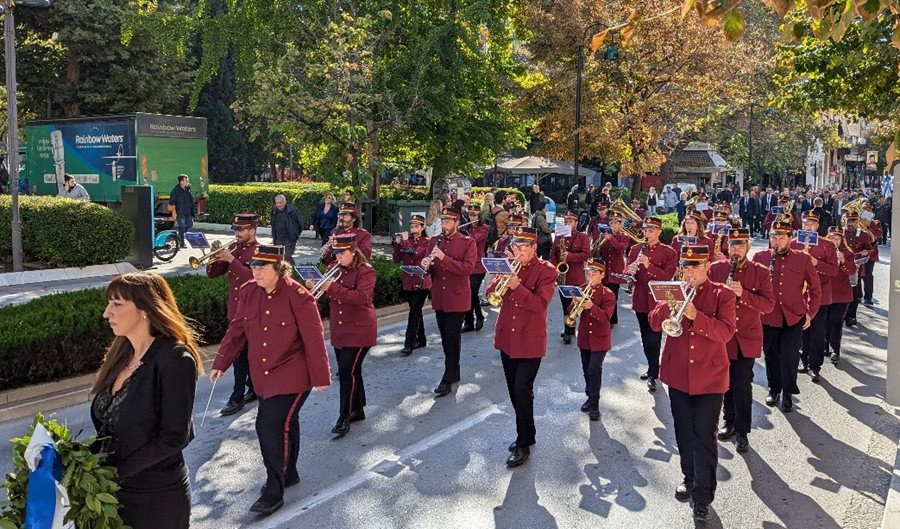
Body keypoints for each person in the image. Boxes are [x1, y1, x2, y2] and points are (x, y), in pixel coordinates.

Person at [211, 245, 331, 516]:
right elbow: (237, 330)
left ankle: (273, 490)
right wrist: (221, 361)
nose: (256, 271)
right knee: (286, 422)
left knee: (268, 424)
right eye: (253, 266)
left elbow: (314, 339)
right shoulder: (249, 292)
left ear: (279, 269)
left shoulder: (298, 296)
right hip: (264, 375)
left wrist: (321, 377)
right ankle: (289, 473)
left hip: (294, 373)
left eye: (262, 267)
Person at [91, 272, 203, 529]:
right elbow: (107, 427)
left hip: (156, 501)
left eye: (117, 304)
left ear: (145, 309)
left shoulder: (176, 359)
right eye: (109, 303)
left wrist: (114, 473)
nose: (107, 313)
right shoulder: (120, 355)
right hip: (113, 496)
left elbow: (174, 437)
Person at [649, 245, 736, 522]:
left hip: (710, 378)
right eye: (686, 267)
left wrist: (695, 316)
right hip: (678, 375)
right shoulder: (675, 290)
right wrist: (667, 304)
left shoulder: (722, 294)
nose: (690, 272)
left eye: (695, 267)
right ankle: (689, 476)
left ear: (707, 266)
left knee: (704, 436)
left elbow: (725, 332)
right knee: (684, 432)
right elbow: (653, 323)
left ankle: (703, 496)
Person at [485, 226, 557, 467]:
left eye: (524, 247)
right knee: (516, 390)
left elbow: (540, 304)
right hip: (507, 338)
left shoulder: (546, 271)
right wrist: (499, 278)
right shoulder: (510, 264)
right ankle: (529, 432)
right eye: (516, 247)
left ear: (534, 248)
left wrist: (516, 285)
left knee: (521, 389)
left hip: (530, 340)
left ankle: (522, 443)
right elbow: (490, 293)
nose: (519, 251)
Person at [708, 228, 774, 453]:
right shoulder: (717, 269)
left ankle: (743, 431)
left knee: (742, 384)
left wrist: (743, 294)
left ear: (747, 248)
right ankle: (729, 421)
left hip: (747, 336)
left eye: (740, 246)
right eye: (732, 246)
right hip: (723, 337)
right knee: (725, 383)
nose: (735, 250)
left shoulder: (760, 272)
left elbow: (768, 305)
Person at [307, 234, 376, 438]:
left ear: (353, 252)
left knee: (347, 373)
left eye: (342, 253)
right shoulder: (331, 269)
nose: (337, 257)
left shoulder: (366, 272)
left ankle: (344, 417)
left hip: (360, 328)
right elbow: (324, 294)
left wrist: (332, 287)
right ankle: (358, 409)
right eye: (335, 253)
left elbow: (361, 298)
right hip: (340, 328)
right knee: (352, 371)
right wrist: (315, 287)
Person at [752, 219, 821, 412]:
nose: (777, 240)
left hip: (794, 316)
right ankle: (774, 389)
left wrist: (810, 312)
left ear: (790, 239)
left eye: (782, 237)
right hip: (768, 316)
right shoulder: (760, 257)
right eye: (774, 237)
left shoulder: (803, 258)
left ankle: (788, 392)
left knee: (790, 356)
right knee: (771, 355)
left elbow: (815, 289)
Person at [421, 207, 477, 397]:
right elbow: (432, 269)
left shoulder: (468, 243)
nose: (443, 225)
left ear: (456, 223)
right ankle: (454, 370)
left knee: (452, 336)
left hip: (457, 297)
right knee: (446, 337)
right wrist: (425, 267)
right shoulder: (434, 241)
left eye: (447, 222)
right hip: (439, 297)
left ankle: (447, 377)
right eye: (442, 221)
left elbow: (467, 269)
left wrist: (444, 258)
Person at [207, 213, 259, 416]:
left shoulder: (259, 251)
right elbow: (213, 274)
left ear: (252, 231)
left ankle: (238, 396)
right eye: (235, 230)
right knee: (240, 355)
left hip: (253, 312)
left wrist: (231, 259)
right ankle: (249, 389)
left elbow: (254, 277)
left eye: (240, 230)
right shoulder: (234, 249)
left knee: (247, 355)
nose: (236, 233)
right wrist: (215, 255)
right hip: (235, 311)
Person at [627, 216, 678, 390]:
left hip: (657, 301)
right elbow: (627, 271)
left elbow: (668, 276)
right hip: (640, 298)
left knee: (654, 337)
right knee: (645, 337)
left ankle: (654, 373)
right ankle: (652, 368)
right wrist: (630, 271)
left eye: (651, 230)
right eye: (645, 230)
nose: (647, 233)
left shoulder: (669, 252)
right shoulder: (635, 249)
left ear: (659, 232)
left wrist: (649, 266)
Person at [793, 212, 838, 382]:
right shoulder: (793, 243)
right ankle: (803, 361)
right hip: (798, 295)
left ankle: (815, 366)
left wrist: (816, 263)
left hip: (820, 295)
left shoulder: (827, 245)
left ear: (817, 226)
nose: (808, 227)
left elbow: (834, 270)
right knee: (801, 331)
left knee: (817, 333)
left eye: (812, 224)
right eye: (806, 223)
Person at [574, 258, 616, 421]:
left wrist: (591, 307)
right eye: (588, 273)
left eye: (594, 273)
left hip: (600, 339)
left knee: (594, 369)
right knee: (586, 369)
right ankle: (590, 397)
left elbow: (606, 317)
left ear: (602, 274)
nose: (590, 276)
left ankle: (595, 405)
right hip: (585, 337)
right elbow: (572, 312)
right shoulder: (581, 289)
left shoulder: (608, 294)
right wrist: (575, 303)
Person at [392, 214, 432, 356]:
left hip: (421, 282)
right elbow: (396, 259)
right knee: (416, 311)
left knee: (414, 312)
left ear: (422, 228)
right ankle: (421, 339)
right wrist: (397, 245)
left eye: (416, 226)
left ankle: (409, 343)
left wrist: (403, 242)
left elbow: (414, 254)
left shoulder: (427, 242)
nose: (413, 229)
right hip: (408, 282)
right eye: (412, 226)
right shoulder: (406, 241)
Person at [550, 211, 591, 344]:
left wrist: (570, 256)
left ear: (576, 223)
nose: (568, 224)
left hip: (576, 276)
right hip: (563, 276)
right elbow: (553, 254)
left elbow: (586, 254)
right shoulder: (559, 236)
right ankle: (568, 329)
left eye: (571, 222)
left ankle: (578, 328)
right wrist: (556, 266)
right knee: (565, 305)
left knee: (577, 304)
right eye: (566, 222)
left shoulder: (582, 237)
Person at [825, 227, 857, 364]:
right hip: (825, 293)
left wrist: (843, 261)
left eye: (837, 238)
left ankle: (835, 350)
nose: (834, 241)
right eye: (832, 238)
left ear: (841, 240)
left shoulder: (848, 253)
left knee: (836, 322)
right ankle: (825, 345)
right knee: (825, 322)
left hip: (841, 295)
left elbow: (851, 271)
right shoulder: (823, 251)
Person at [596, 213, 630, 326]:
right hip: (604, 270)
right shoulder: (604, 234)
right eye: (611, 223)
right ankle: (606, 317)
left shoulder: (624, 236)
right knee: (603, 294)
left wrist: (610, 239)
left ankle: (611, 319)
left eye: (616, 223)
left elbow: (621, 249)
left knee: (613, 296)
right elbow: (597, 250)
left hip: (615, 269)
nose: (614, 225)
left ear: (620, 224)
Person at [842, 211, 874, 326]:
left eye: (853, 221)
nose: (851, 223)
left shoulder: (863, 234)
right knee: (840, 294)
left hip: (855, 268)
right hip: (840, 268)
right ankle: (842, 315)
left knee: (853, 294)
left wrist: (866, 253)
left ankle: (851, 316)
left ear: (858, 221)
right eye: (848, 220)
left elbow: (869, 250)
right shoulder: (839, 233)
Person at [463, 204, 489, 332]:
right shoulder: (465, 228)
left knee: (472, 291)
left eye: (475, 215)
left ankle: (478, 316)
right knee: (467, 293)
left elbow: (473, 240)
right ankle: (468, 322)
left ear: (479, 217)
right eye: (470, 215)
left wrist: (462, 236)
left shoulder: (484, 228)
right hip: (466, 264)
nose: (472, 217)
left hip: (478, 265)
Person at [861, 200, 883, 306]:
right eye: (865, 209)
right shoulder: (857, 222)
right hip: (859, 253)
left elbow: (879, 234)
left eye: (869, 209)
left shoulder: (876, 222)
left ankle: (868, 297)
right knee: (857, 275)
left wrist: (870, 224)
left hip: (871, 253)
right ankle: (858, 295)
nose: (867, 211)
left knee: (868, 275)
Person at [270, 194, 303, 266]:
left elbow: (300, 224)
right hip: (278, 238)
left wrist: (295, 235)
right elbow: (272, 223)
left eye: (280, 203)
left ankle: (293, 269)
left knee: (287, 256)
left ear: (285, 202)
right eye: (277, 203)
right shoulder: (274, 211)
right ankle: (282, 273)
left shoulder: (292, 211)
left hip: (289, 238)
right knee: (279, 257)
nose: (279, 205)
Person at [168, 174, 195, 248]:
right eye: (186, 180)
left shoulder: (188, 189)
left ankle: (179, 236)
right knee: (182, 227)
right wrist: (174, 212)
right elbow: (173, 202)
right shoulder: (175, 191)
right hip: (180, 212)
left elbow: (190, 200)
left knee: (190, 224)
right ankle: (182, 242)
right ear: (181, 181)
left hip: (188, 212)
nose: (187, 182)